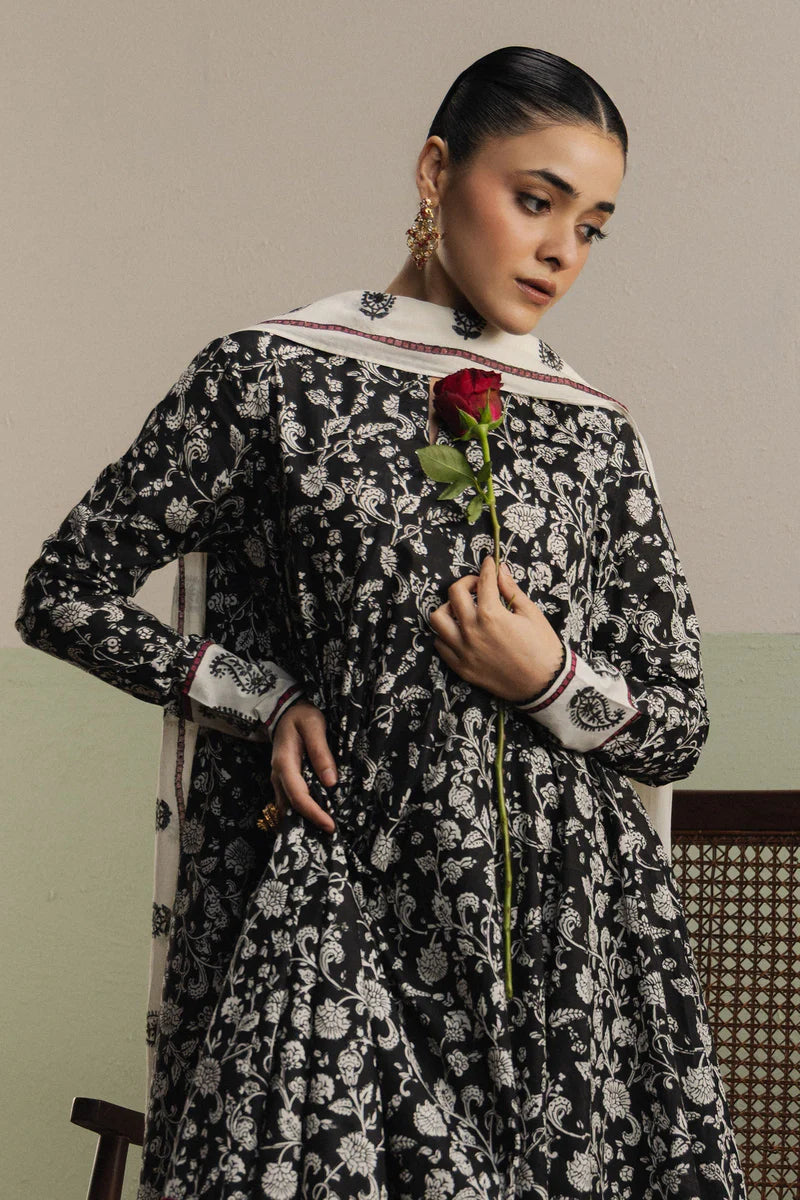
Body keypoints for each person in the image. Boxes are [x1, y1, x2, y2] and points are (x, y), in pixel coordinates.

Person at [15, 45, 748, 1200]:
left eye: (591, 226)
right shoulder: (275, 377)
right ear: (434, 172)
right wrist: (264, 699)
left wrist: (550, 674)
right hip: (350, 916)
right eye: (534, 200)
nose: (560, 250)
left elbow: (676, 728)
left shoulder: (596, 432)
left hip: (561, 951)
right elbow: (66, 589)